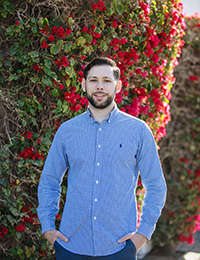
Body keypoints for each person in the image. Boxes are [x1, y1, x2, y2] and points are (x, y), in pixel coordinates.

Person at [37, 57, 167, 260]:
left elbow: (156, 185)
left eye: (107, 80)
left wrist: (143, 235)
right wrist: (47, 228)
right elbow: (49, 181)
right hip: (71, 247)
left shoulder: (138, 131)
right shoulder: (67, 131)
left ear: (118, 86)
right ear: (84, 85)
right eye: (93, 80)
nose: (100, 86)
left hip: (119, 249)